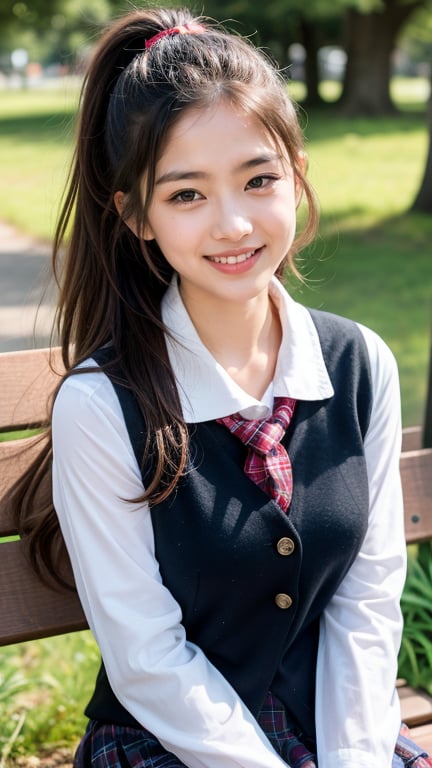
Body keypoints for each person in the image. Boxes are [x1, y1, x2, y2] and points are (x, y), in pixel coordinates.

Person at [11, 7, 432, 768]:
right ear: (135, 215)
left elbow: (365, 604)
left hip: (336, 732)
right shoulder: (103, 406)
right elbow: (146, 658)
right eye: (186, 195)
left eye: (258, 179)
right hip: (174, 741)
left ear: (295, 172)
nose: (234, 224)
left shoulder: (360, 365)